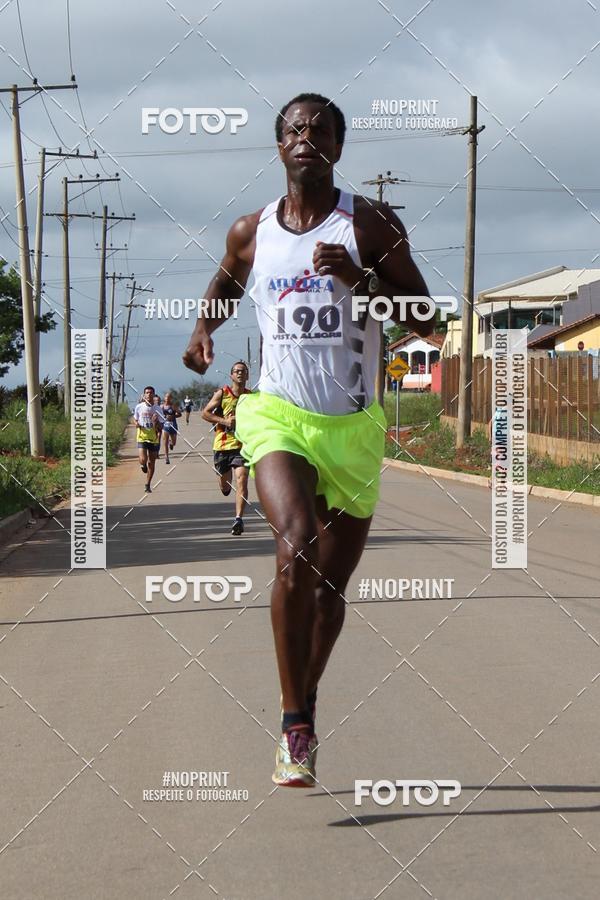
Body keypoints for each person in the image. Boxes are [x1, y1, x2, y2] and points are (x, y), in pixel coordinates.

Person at [183, 92, 432, 787]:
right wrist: (202, 329)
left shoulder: (371, 223)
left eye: (320, 129)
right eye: (294, 128)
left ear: (338, 148)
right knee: (295, 547)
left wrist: (359, 278)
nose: (306, 136)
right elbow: (225, 286)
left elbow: (426, 320)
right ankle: (294, 725)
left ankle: (305, 696)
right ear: (279, 146)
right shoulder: (252, 230)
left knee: (328, 591)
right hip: (277, 416)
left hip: (351, 426)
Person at [202, 362, 252, 535]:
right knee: (225, 486)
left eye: (243, 371)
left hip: (242, 446)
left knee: (242, 480)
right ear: (231, 375)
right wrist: (224, 421)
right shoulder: (222, 393)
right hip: (222, 446)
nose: (240, 374)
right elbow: (205, 413)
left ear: (247, 375)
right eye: (237, 371)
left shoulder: (252, 397)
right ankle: (225, 487)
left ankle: (238, 519)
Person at [134, 385, 162, 493]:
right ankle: (142, 464)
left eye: (151, 393)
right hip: (142, 436)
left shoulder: (157, 409)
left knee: (152, 462)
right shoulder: (139, 407)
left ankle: (148, 484)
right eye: (147, 393)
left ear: (154, 395)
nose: (149, 394)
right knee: (143, 459)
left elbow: (161, 426)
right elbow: (135, 419)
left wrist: (156, 422)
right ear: (144, 395)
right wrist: (136, 423)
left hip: (153, 438)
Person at [161, 392, 182, 464]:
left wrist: (173, 416)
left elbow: (180, 414)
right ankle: (166, 457)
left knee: (174, 442)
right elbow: (158, 415)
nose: (167, 398)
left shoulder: (173, 406)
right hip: (165, 426)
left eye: (169, 397)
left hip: (173, 426)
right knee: (165, 442)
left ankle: (171, 444)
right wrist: (164, 417)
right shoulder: (162, 406)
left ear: (171, 398)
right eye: (166, 397)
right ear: (164, 398)